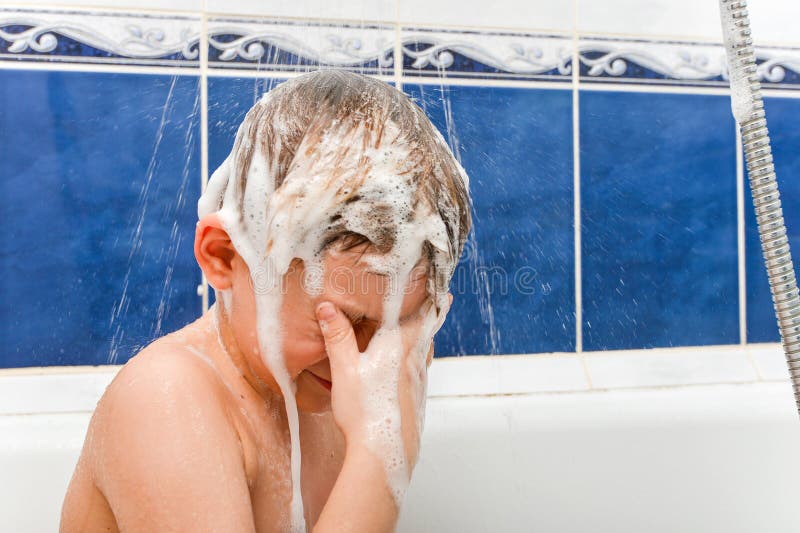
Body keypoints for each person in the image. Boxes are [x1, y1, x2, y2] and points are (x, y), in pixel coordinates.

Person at [60, 69, 471, 532]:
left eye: (396, 329)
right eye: (342, 322)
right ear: (223, 256)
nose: (364, 360)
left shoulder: (328, 399)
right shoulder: (166, 401)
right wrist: (381, 456)